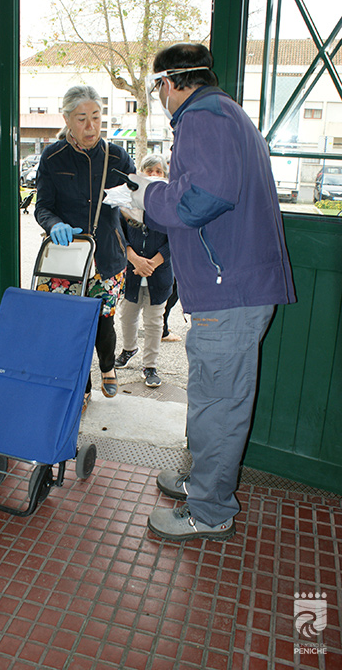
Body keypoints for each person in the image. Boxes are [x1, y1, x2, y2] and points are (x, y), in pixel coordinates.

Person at [128, 43, 296, 542]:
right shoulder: (223, 114)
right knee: (210, 399)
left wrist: (147, 195)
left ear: (169, 82)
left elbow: (204, 198)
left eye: (158, 86)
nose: (159, 95)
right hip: (234, 287)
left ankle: (210, 510)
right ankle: (202, 483)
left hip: (231, 291)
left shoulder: (204, 118)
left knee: (218, 407)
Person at [35, 85, 135, 408]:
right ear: (67, 119)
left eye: (96, 117)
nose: (91, 126)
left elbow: (137, 200)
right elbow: (42, 207)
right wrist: (54, 225)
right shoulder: (52, 157)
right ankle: (83, 384)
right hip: (67, 260)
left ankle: (107, 366)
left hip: (106, 257)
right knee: (69, 327)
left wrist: (139, 199)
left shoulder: (117, 156)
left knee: (104, 323)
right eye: (82, 118)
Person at [115, 154, 174, 388]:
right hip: (132, 272)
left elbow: (176, 240)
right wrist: (134, 259)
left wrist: (153, 263)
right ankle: (129, 349)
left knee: (154, 322)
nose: (154, 175)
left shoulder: (171, 204)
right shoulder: (127, 201)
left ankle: (150, 365)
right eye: (149, 171)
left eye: (159, 171)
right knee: (127, 315)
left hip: (158, 273)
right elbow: (119, 233)